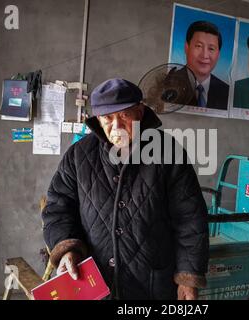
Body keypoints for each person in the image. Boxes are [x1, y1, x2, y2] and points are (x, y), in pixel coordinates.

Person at [42, 78, 209, 300]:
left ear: (140, 112)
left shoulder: (169, 153)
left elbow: (190, 218)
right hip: (96, 281)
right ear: (98, 120)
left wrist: (188, 277)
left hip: (152, 283)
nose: (117, 126)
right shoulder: (78, 155)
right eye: (108, 118)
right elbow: (58, 208)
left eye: (124, 115)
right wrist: (67, 249)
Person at [172, 20, 229, 109]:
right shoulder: (168, 82)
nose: (205, 55)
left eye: (211, 49)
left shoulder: (227, 91)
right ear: (186, 48)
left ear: (219, 54)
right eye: (198, 46)